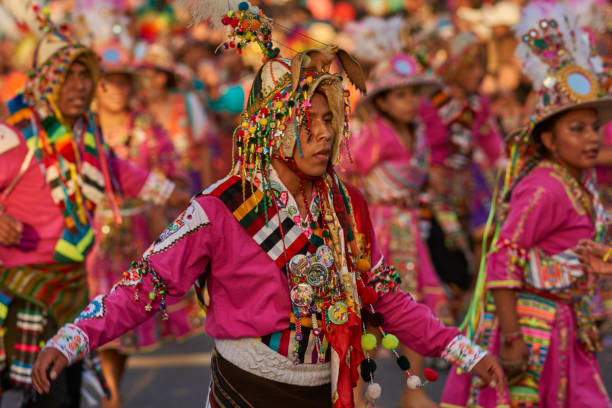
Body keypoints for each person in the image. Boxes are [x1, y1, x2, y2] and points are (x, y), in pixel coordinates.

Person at [32, 4, 504, 408]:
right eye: (307, 121)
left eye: (328, 119)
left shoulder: (346, 205)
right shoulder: (218, 208)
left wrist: (464, 350)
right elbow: (144, 286)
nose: (324, 133)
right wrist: (72, 339)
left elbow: (385, 297)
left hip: (329, 391)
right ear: (270, 130)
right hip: (245, 393)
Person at [0, 17, 187, 407]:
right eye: (69, 76)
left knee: (63, 397)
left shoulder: (88, 137)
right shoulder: (16, 135)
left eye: (87, 77)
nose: (82, 86)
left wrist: (178, 197)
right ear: (47, 81)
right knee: (31, 396)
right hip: (25, 292)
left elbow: (119, 172)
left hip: (72, 289)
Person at [441, 3, 612, 407]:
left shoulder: (577, 183)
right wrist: (513, 337)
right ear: (549, 140)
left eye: (593, 128)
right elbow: (504, 256)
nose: (591, 138)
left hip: (563, 320)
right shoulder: (544, 188)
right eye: (576, 128)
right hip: (536, 325)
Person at [88, 40, 205, 408]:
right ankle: (110, 396)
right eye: (109, 81)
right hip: (88, 239)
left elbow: (174, 173)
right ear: (95, 85)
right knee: (95, 314)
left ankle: (110, 392)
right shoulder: (81, 127)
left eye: (124, 82)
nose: (117, 89)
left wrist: (163, 202)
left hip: (135, 236)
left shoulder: (146, 126)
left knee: (118, 323)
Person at [342, 53, 451, 408]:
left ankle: (414, 390)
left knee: (413, 304)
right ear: (384, 101)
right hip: (380, 228)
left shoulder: (417, 133)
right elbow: (346, 169)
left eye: (413, 94)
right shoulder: (375, 134)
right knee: (370, 308)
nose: (410, 102)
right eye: (401, 95)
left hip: (410, 225)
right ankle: (357, 393)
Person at [427, 30, 505, 311]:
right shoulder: (432, 100)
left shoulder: (478, 102)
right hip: (434, 191)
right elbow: (425, 145)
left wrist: (503, 165)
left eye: (480, 66)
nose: (478, 73)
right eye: (472, 66)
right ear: (457, 66)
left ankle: (466, 310)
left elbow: (488, 139)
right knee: (447, 252)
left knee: (475, 246)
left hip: (467, 186)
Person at [137, 43, 217, 194]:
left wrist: (207, 195)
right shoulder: (138, 109)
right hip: (153, 191)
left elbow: (204, 149)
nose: (140, 84)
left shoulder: (188, 102)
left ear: (161, 78)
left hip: (190, 187)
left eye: (145, 78)